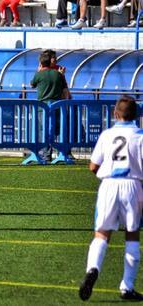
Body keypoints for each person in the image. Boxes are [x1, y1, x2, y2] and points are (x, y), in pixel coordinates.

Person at [79, 96, 143, 302]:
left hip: (108, 184)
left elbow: (92, 166)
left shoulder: (107, 135)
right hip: (133, 185)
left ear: (115, 114)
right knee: (132, 234)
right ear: (137, 115)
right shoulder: (141, 136)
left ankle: (92, 269)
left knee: (102, 234)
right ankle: (127, 286)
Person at [30, 52, 64, 162]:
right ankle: (60, 152)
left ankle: (45, 154)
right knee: (54, 130)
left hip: (42, 107)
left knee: (43, 130)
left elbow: (32, 85)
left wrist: (38, 71)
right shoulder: (58, 74)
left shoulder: (39, 74)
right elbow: (64, 87)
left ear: (41, 63)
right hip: (56, 106)